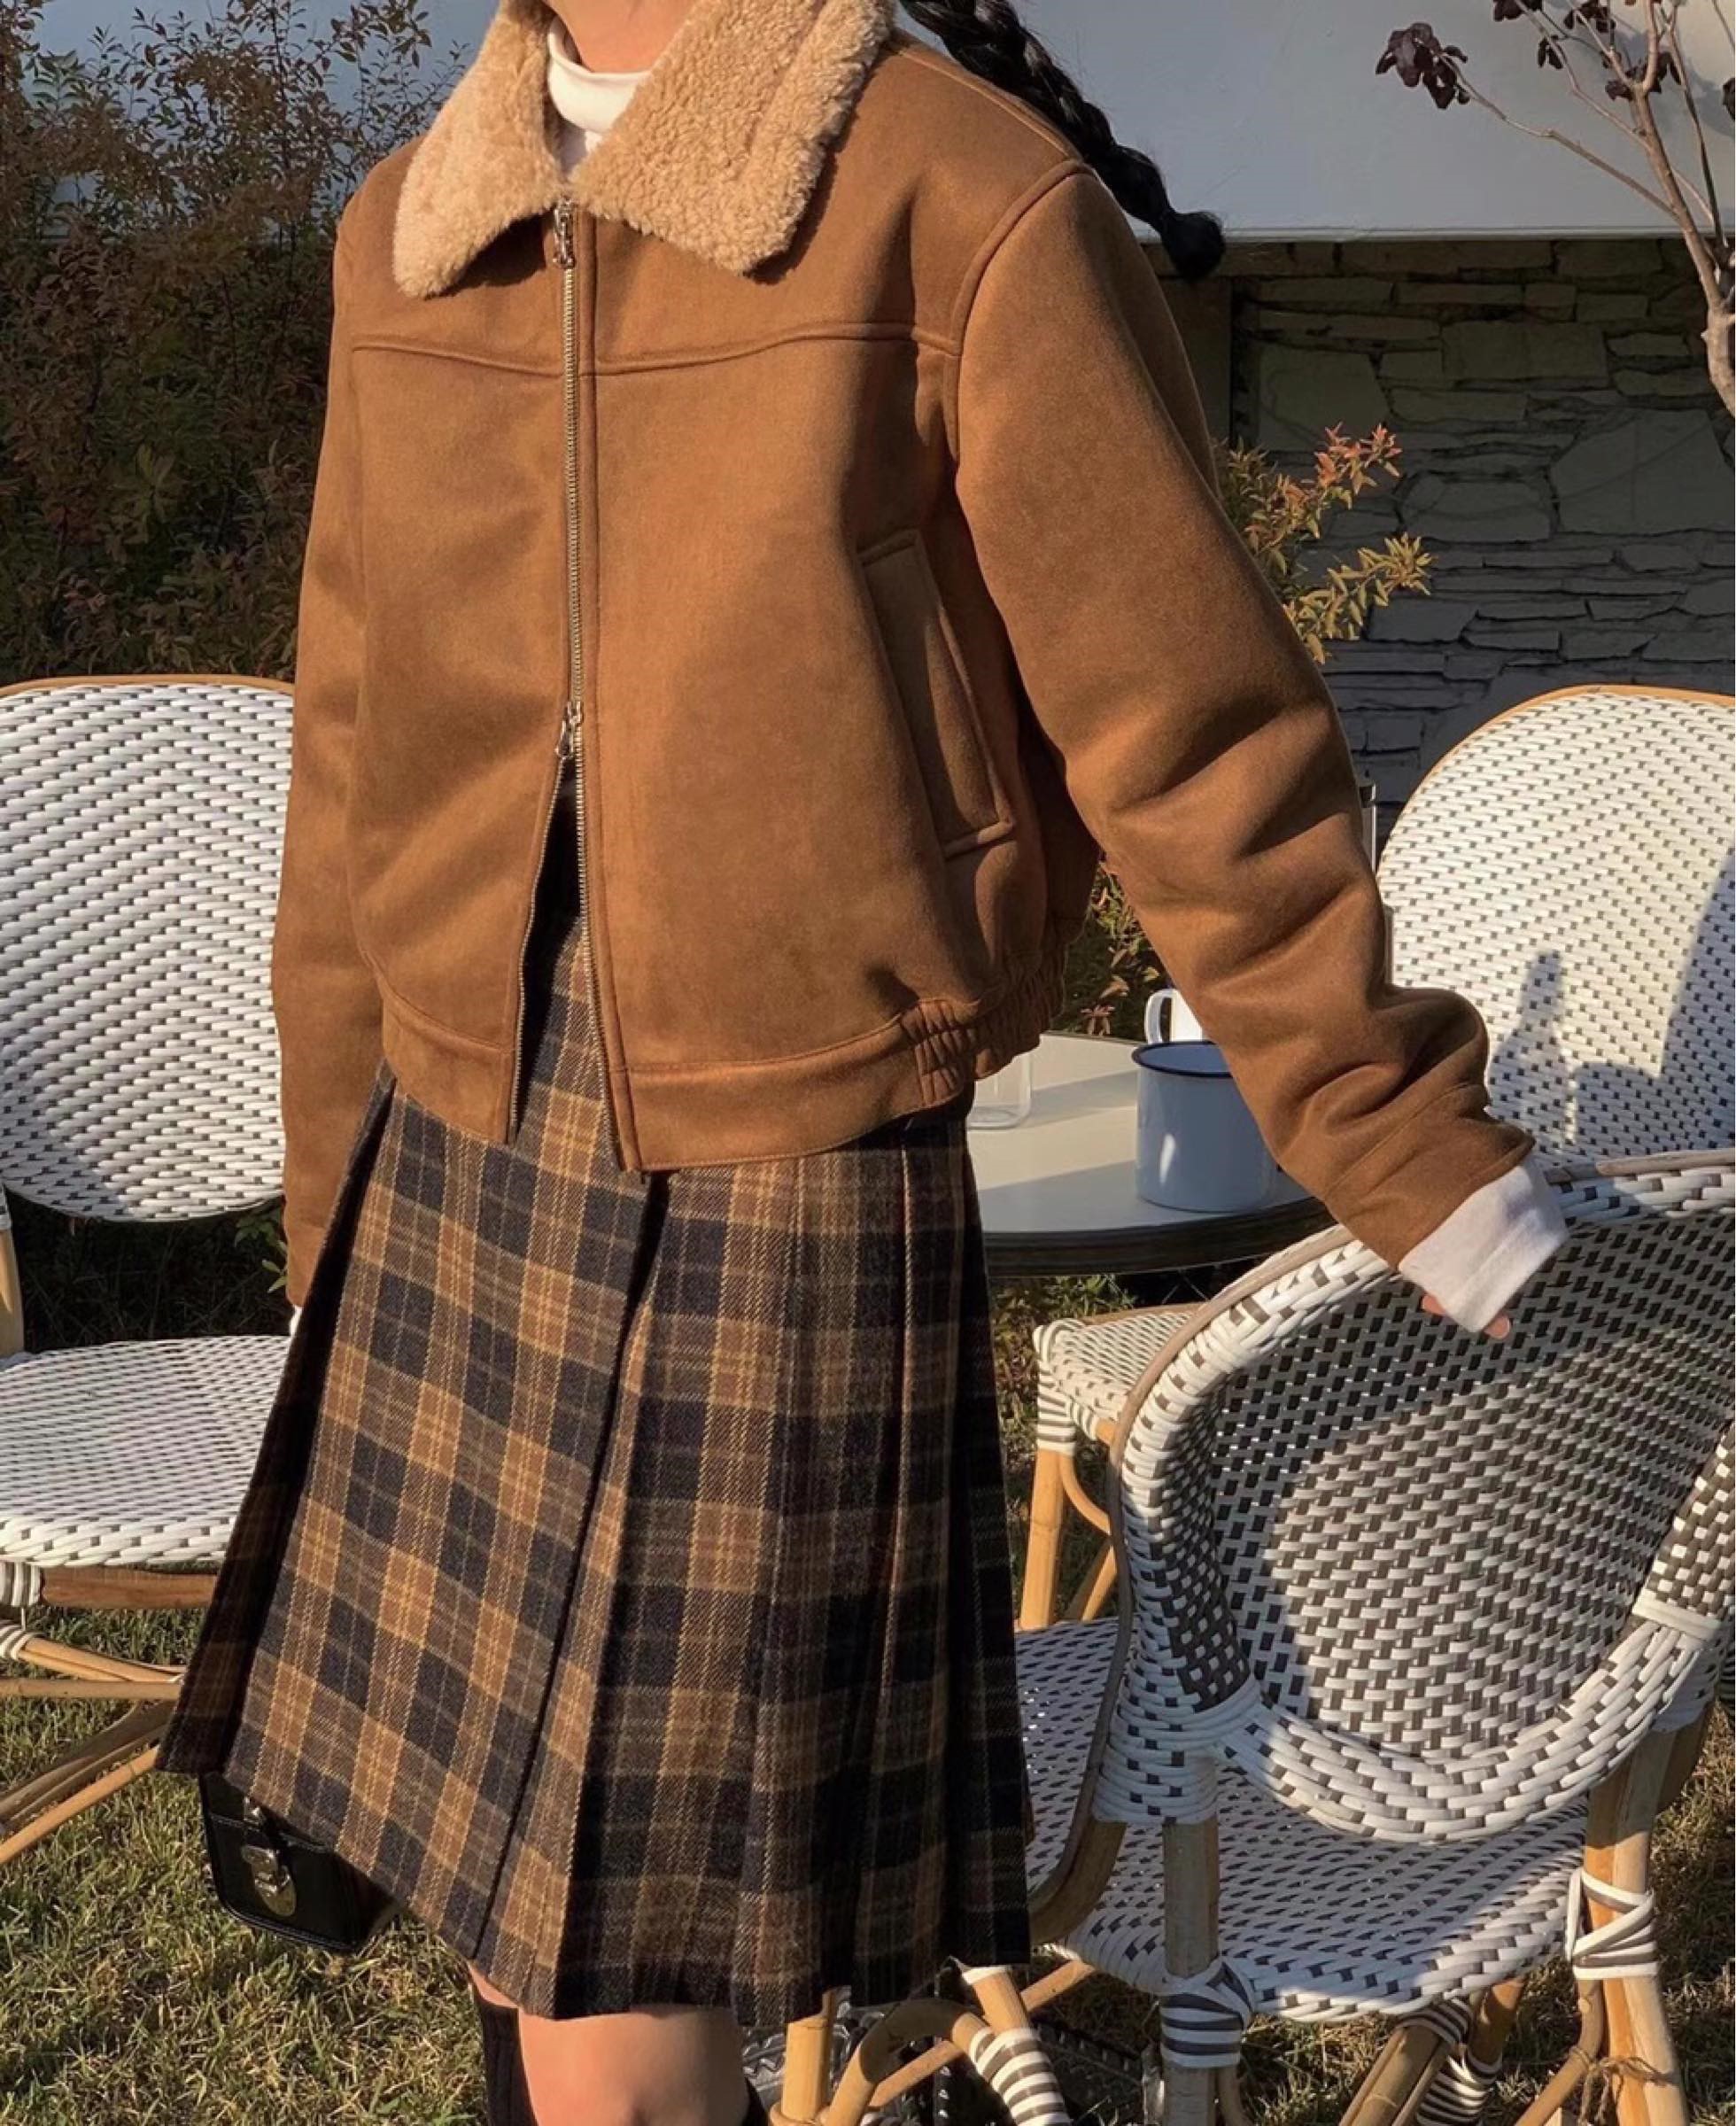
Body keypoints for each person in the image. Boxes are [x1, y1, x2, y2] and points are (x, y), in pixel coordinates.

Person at [151, 2, 1569, 2121]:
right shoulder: (416, 233)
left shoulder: (947, 195)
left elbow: (1178, 711)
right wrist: (329, 1184)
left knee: (626, 1951)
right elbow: (356, 747)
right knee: (515, 1924)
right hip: (456, 1141)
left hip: (786, 1161)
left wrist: (1387, 1128)